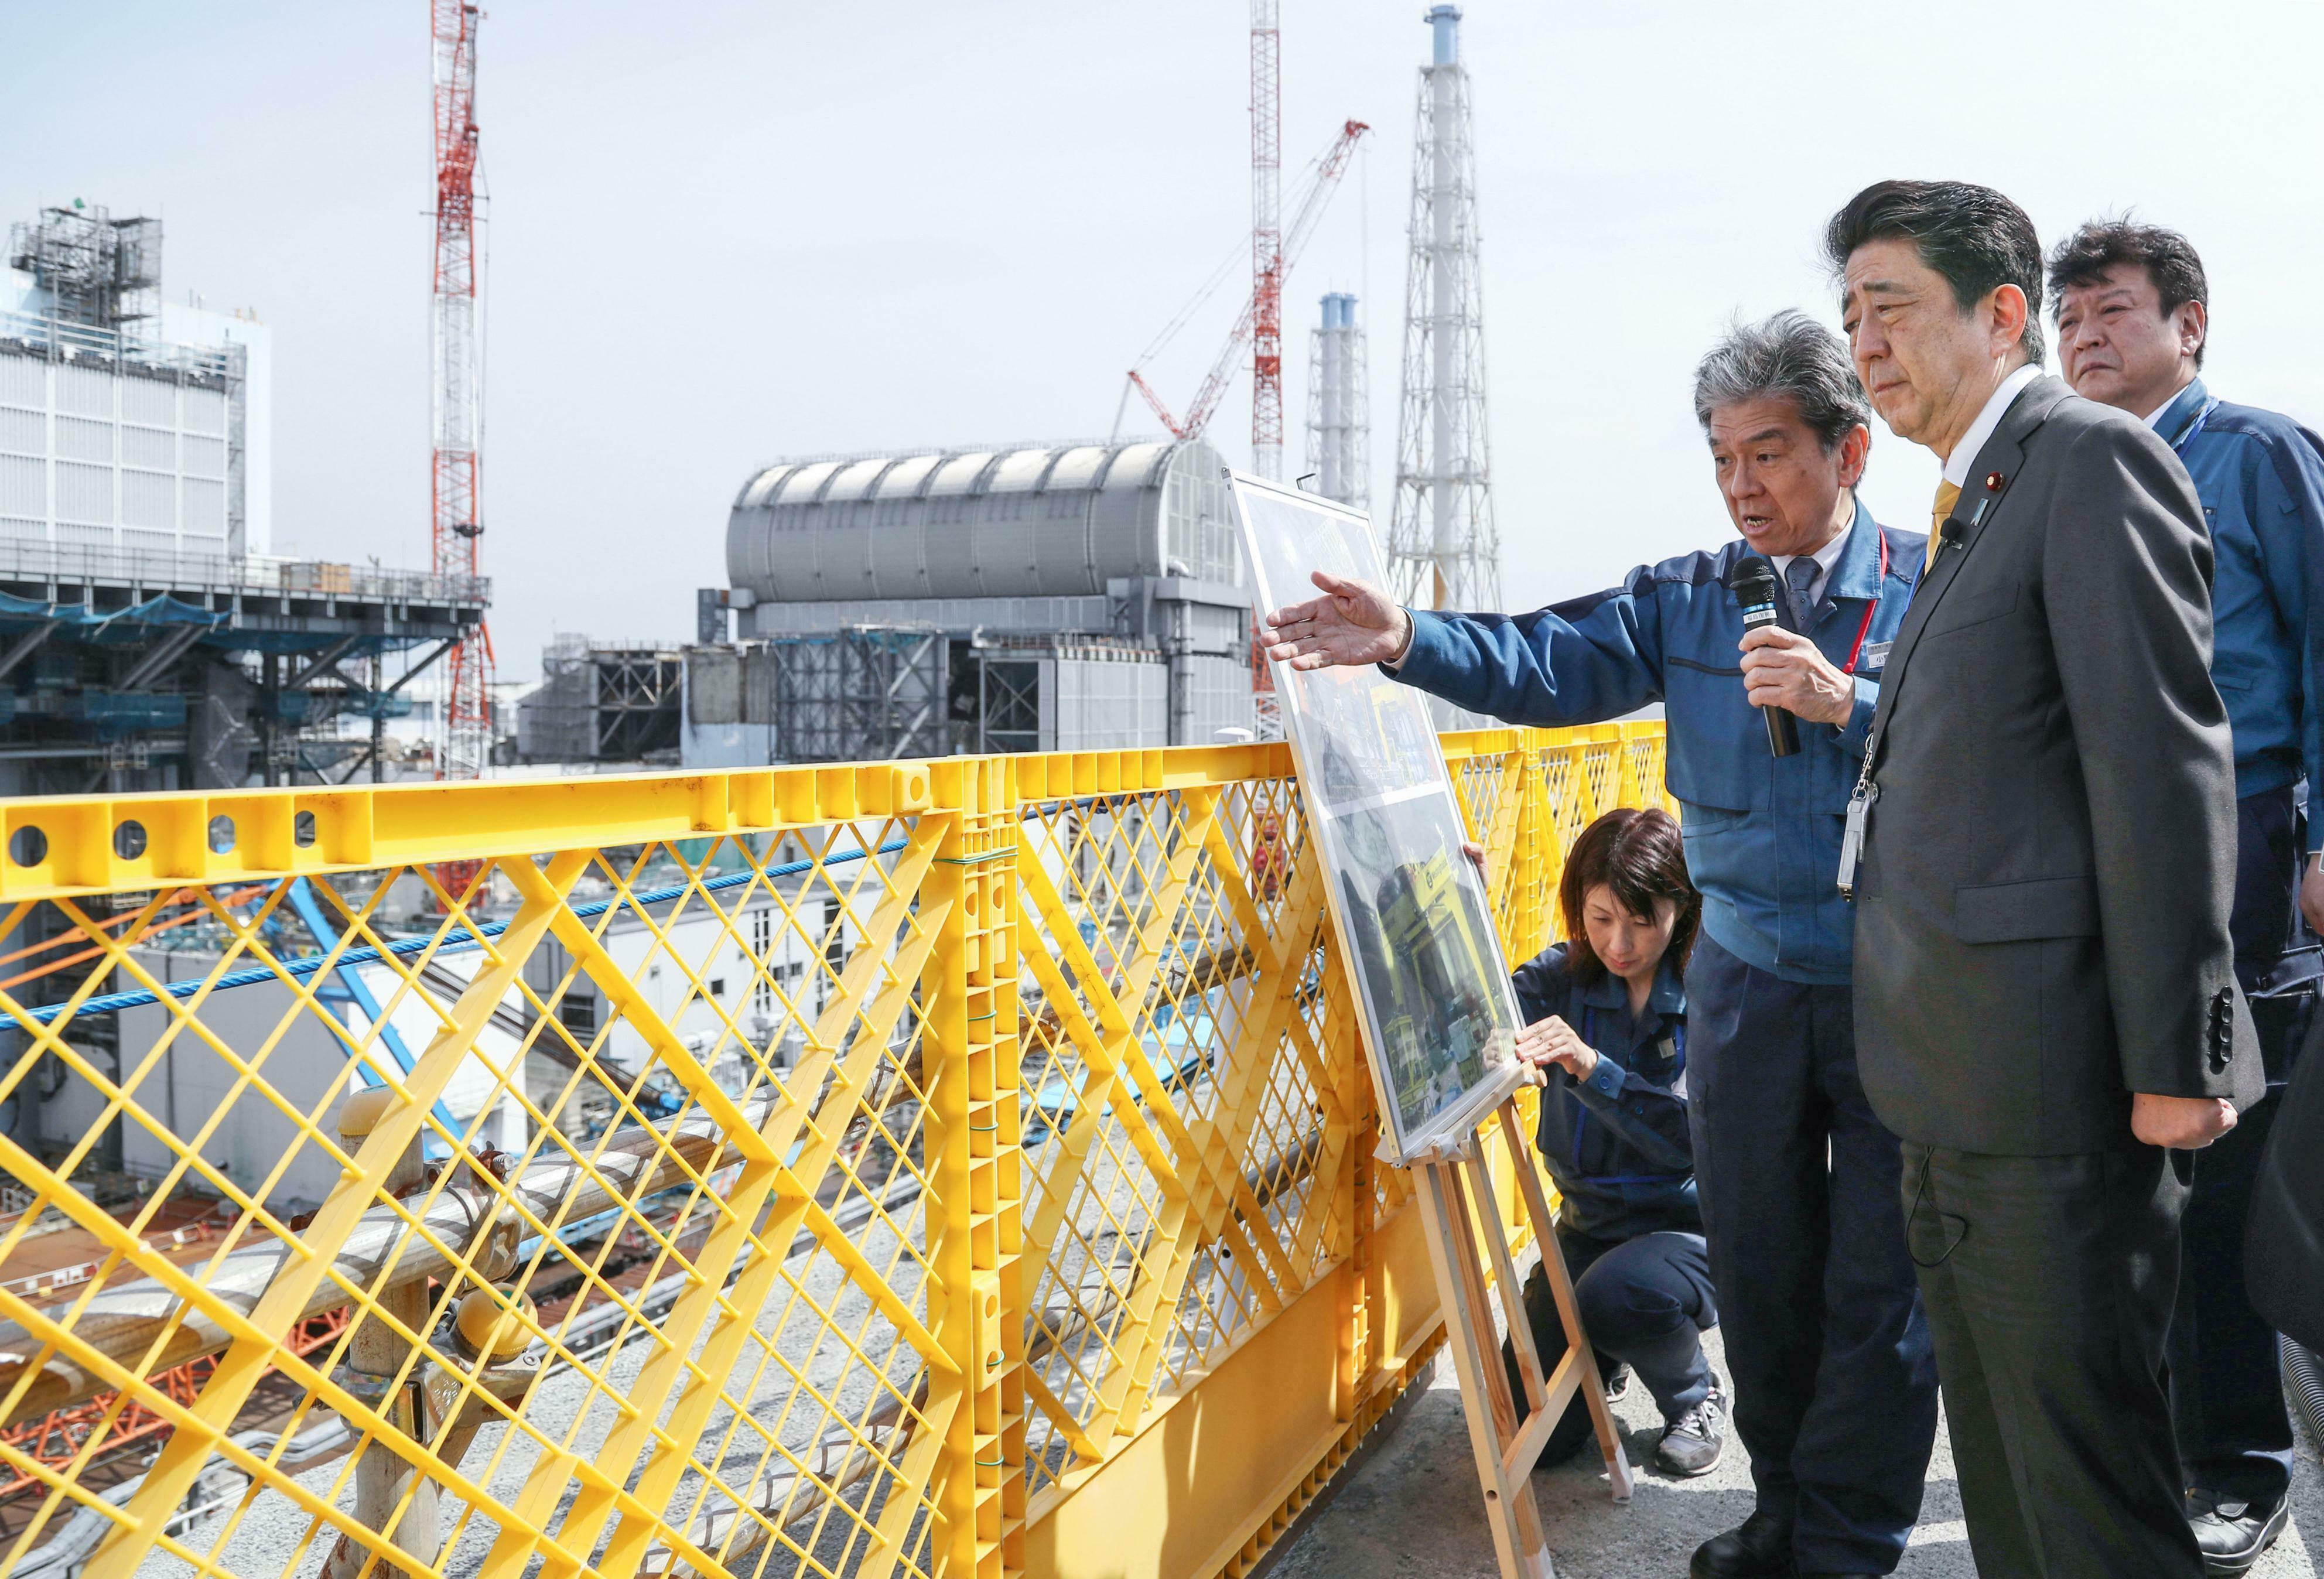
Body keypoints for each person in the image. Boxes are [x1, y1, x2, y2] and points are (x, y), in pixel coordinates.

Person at [1263, 312, 1937, 1579]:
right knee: (1763, 1267)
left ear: (1849, 452)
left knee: (1881, 1285)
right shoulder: (1688, 599)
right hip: (1742, 985)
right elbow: (1550, 658)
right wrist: (1406, 638)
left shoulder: (1930, 583)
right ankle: (1782, 1511)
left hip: (1895, 983)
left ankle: (1849, 1541)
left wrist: (1845, 700)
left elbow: (1989, 734)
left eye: (1769, 454)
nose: (1741, 486)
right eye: (1722, 458)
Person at [1827, 179, 2262, 1579]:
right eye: (1849, 315)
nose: (1864, 342)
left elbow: (2160, 766)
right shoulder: (1978, 491)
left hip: (2051, 1096)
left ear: (2000, 312)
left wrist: (2177, 1057)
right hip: (1954, 1081)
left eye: (1889, 306)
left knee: (2086, 1495)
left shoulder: (2086, 461)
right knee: (2012, 1481)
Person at [2049, 216, 2324, 1577]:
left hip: (2245, 842)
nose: (2082, 338)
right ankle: (2152, 1444)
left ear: (2187, 325)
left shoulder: (2257, 455)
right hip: (2098, 857)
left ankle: (2241, 1462)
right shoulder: (2063, 475)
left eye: (2110, 310)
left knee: (2223, 1161)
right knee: (2127, 1160)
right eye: (2065, 321)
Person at [1493, 807, 1721, 1478]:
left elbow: (1683, 1141)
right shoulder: (1558, 977)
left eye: (1641, 920)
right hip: (1586, 1226)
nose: (1618, 943)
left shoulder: (1713, 986)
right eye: (1599, 918)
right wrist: (1457, 899)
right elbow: (1474, 1009)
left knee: (1620, 1290)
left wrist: (1592, 1068)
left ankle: (1694, 1394)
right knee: (1529, 1432)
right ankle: (1608, 1343)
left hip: (1689, 1233)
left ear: (1681, 908)